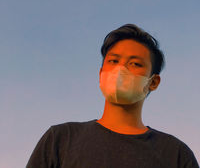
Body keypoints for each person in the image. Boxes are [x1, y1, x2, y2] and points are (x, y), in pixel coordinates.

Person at [26, 24, 199, 168]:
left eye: (135, 63)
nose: (120, 70)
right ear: (101, 73)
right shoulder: (61, 139)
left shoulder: (176, 155)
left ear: (153, 82)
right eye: (113, 61)